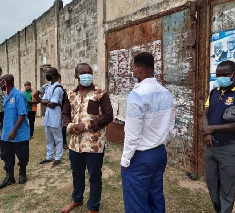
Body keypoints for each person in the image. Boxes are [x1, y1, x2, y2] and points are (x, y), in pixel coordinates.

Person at [121, 52, 175, 213]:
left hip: (140, 157)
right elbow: (170, 125)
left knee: (137, 204)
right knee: (156, 197)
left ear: (139, 69)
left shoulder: (136, 95)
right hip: (159, 154)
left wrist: (125, 160)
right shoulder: (166, 93)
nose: (132, 72)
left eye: (133, 68)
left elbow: (132, 134)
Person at [203, 60, 235, 213]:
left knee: (227, 191)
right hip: (211, 148)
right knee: (212, 186)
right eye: (218, 75)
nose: (221, 78)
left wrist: (212, 128)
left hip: (231, 148)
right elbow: (205, 114)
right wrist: (207, 132)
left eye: (225, 75)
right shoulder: (214, 92)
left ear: (234, 74)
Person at [61, 63, 113, 213]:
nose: (87, 75)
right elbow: (65, 114)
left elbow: (108, 116)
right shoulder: (70, 94)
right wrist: (70, 126)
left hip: (93, 144)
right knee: (77, 174)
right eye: (83, 73)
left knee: (94, 176)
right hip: (75, 144)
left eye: (89, 72)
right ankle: (77, 199)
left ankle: (93, 207)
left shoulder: (100, 93)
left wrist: (86, 125)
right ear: (76, 76)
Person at [0, 74, 30, 190]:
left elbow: (22, 113)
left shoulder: (18, 95)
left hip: (19, 133)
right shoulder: (6, 95)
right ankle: (9, 177)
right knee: (7, 155)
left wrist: (14, 130)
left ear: (5, 82)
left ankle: (22, 173)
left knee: (22, 155)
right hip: (6, 132)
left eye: (0, 82)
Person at [38, 67, 64, 167]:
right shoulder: (49, 87)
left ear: (53, 75)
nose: (46, 75)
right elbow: (44, 101)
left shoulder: (58, 88)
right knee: (49, 138)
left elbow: (52, 104)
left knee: (58, 138)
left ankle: (58, 157)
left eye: (48, 73)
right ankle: (49, 156)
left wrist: (47, 102)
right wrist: (47, 102)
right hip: (48, 115)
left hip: (55, 115)